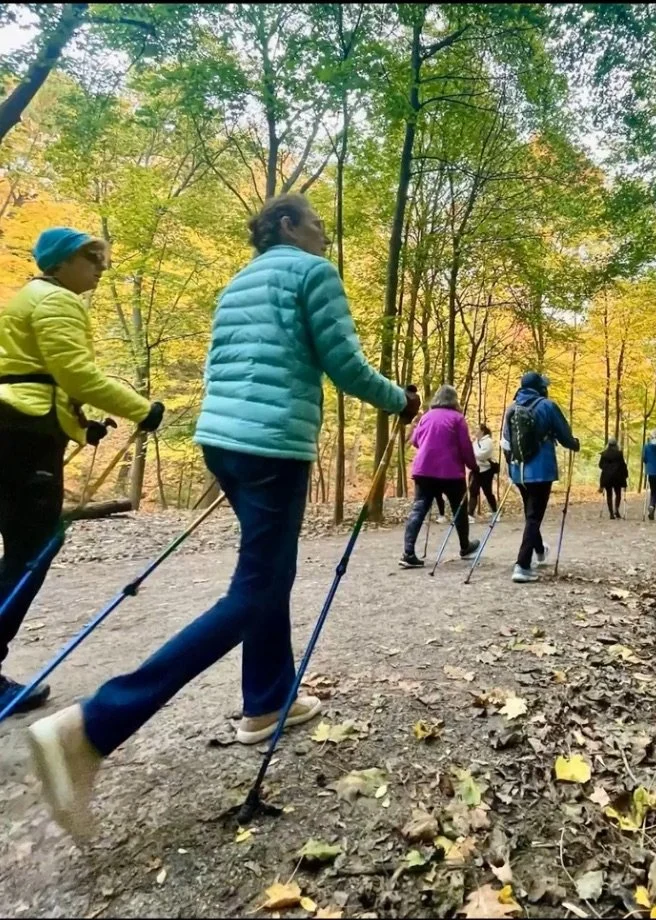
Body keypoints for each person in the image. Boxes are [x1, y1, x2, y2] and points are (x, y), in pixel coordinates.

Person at [26, 193, 420, 839]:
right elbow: (343, 363)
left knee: (268, 575)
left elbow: (227, 365)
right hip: (271, 446)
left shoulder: (238, 282)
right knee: (257, 586)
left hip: (223, 441)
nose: (325, 233)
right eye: (316, 222)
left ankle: (266, 703)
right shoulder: (310, 272)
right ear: (286, 226)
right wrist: (397, 399)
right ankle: (92, 726)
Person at [0, 227, 164, 715]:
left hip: (19, 427)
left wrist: (78, 425)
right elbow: (76, 374)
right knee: (34, 548)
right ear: (61, 262)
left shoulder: (30, 298)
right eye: (91, 257)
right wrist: (141, 408)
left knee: (25, 546)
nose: (100, 266)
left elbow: (39, 374)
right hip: (23, 436)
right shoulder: (55, 301)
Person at [501, 371, 579, 584]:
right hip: (541, 470)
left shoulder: (511, 408)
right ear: (539, 387)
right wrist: (575, 444)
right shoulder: (547, 406)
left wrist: (511, 470)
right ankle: (522, 565)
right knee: (534, 516)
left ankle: (540, 550)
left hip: (519, 472)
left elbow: (506, 444)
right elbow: (564, 435)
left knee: (530, 514)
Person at [400, 384, 480, 568]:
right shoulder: (457, 418)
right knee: (459, 508)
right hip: (451, 472)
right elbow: (465, 447)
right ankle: (464, 546)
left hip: (424, 470)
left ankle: (408, 552)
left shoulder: (426, 416)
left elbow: (415, 441)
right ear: (454, 400)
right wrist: (473, 467)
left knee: (419, 509)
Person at [468, 423, 498, 522]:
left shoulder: (488, 441)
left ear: (482, 431)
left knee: (488, 492)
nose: (475, 430)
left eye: (477, 429)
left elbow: (482, 455)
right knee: (473, 492)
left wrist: (474, 451)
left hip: (486, 471)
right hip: (476, 470)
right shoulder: (475, 442)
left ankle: (495, 512)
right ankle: (470, 514)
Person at [598, 437, 628, 520]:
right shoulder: (619, 454)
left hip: (607, 477)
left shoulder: (604, 454)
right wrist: (625, 475)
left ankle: (611, 513)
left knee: (609, 494)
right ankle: (616, 510)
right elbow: (623, 465)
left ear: (608, 444)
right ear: (616, 444)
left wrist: (607, 468)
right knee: (618, 494)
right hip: (618, 477)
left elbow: (600, 465)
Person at [642, 429, 656, 520]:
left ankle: (652, 506)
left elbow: (644, 459)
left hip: (651, 472)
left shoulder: (646, 446)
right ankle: (652, 506)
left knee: (654, 490)